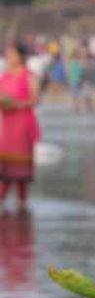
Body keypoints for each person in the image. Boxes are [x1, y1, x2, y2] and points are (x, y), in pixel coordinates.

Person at [0, 42, 41, 211]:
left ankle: (22, 204)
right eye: (7, 54)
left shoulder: (29, 75)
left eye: (12, 54)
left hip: (23, 123)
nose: (9, 57)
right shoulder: (4, 76)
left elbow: (35, 99)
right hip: (7, 125)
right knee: (5, 168)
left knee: (21, 171)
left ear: (21, 56)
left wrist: (18, 104)